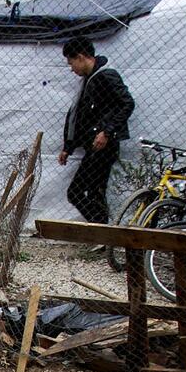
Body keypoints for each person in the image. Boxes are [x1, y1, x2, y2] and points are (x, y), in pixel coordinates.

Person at [57, 36, 135, 230]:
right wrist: (69, 146)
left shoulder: (106, 76)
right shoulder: (90, 79)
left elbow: (127, 104)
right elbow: (80, 116)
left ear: (82, 57)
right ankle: (101, 232)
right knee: (92, 191)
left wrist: (106, 132)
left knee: (79, 191)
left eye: (71, 62)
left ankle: (101, 231)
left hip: (103, 146)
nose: (71, 68)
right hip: (93, 144)